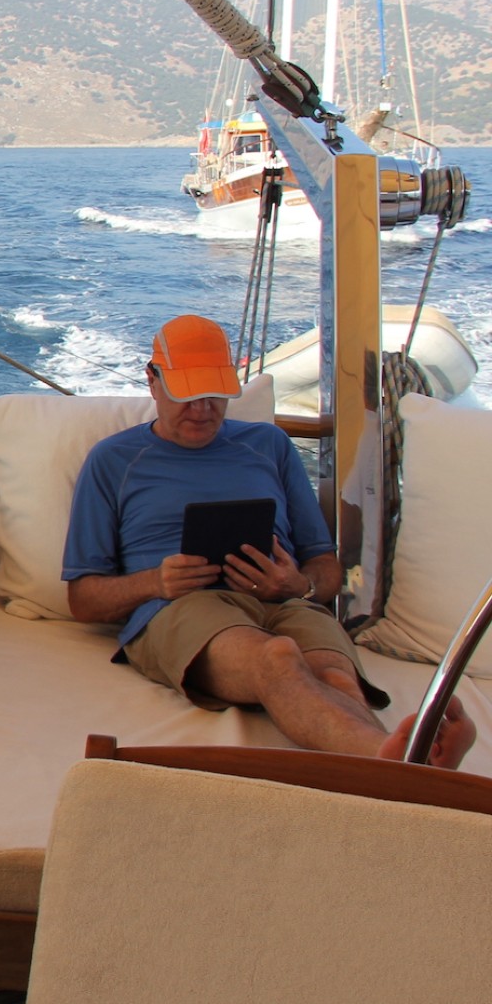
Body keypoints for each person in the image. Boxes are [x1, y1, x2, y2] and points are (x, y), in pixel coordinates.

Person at [63, 314, 475, 768]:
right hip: (178, 608)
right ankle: (402, 768)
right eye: (187, 394)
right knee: (277, 657)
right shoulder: (112, 460)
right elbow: (82, 600)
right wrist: (156, 583)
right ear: (152, 381)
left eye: (214, 394)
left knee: (337, 679)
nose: (202, 409)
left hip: (284, 601)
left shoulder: (269, 445)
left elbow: (325, 567)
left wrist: (298, 586)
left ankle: (403, 772)